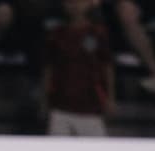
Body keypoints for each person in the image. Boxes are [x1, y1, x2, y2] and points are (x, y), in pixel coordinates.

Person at [43, 0, 115, 136]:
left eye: (80, 2)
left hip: (91, 106)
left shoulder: (97, 33)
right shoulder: (56, 34)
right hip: (61, 106)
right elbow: (49, 68)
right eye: (70, 2)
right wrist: (44, 100)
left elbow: (107, 66)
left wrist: (110, 98)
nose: (75, 5)